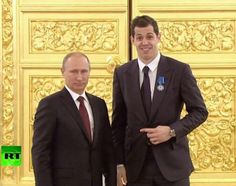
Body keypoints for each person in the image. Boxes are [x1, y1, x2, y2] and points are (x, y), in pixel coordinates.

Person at [111, 15, 208, 186]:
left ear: (158, 37)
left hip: (172, 166)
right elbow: (118, 123)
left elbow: (200, 111)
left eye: (149, 36)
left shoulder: (179, 70)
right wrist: (119, 163)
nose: (144, 42)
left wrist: (171, 131)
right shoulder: (122, 73)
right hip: (136, 168)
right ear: (132, 40)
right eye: (139, 37)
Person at [32, 52, 116, 186]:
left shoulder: (99, 104)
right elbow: (40, 152)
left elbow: (107, 149)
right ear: (63, 72)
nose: (79, 77)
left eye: (84, 71)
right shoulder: (50, 105)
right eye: (74, 72)